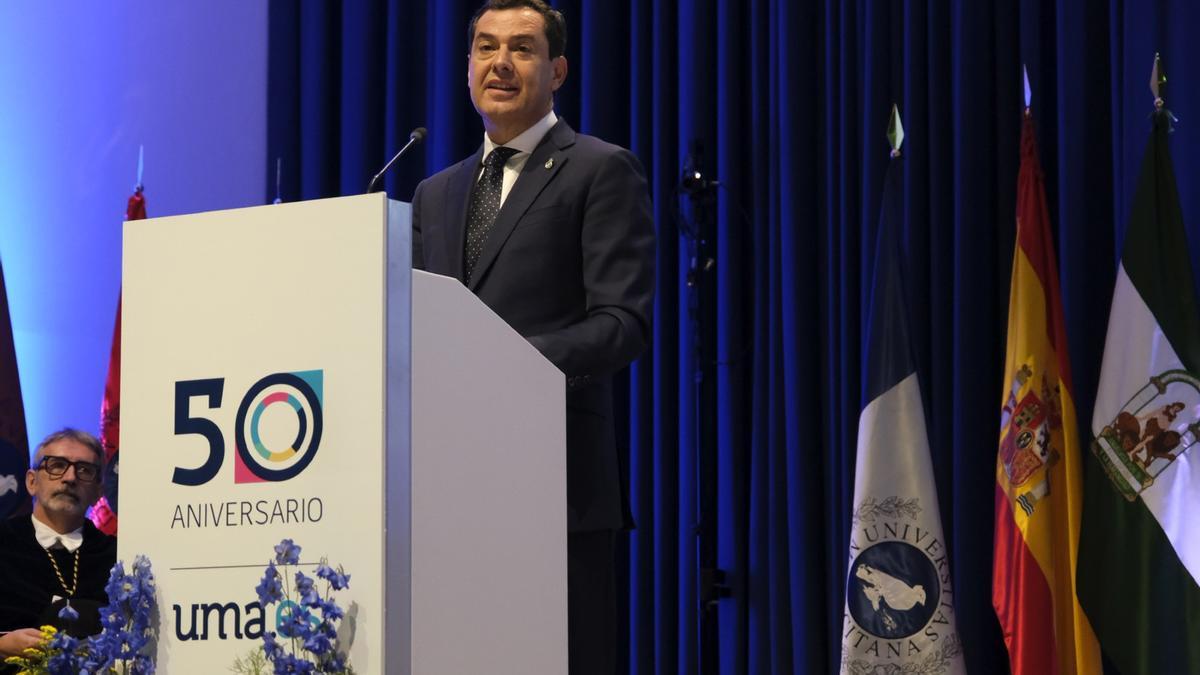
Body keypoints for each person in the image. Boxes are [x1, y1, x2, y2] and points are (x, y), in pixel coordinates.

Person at [411, 1, 655, 672]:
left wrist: (505, 363)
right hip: (449, 492)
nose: (501, 63)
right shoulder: (435, 193)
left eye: (521, 48)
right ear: (467, 69)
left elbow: (622, 323)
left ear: (558, 69)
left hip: (559, 488)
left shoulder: (600, 170)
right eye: (486, 48)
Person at [0, 429, 116, 662]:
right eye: (56, 465)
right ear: (32, 482)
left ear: (97, 493)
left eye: (84, 470)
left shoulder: (116, 555)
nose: (70, 477)